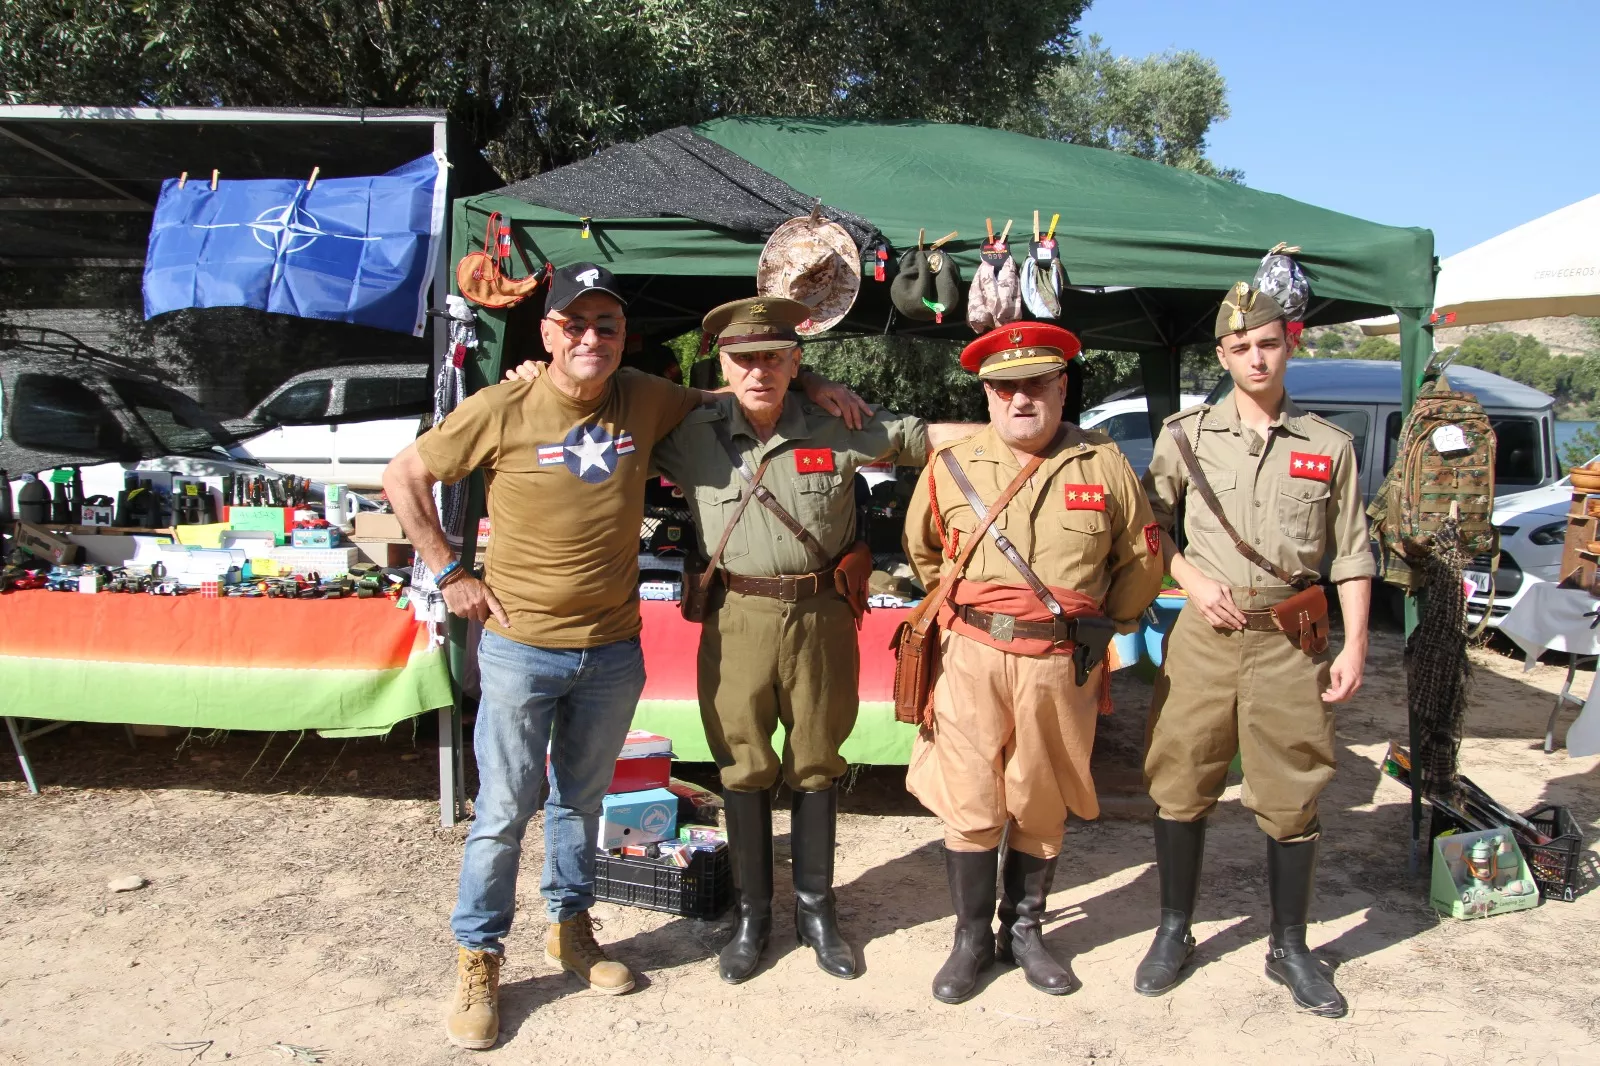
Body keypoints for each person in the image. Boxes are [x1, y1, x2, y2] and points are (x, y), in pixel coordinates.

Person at [382, 263, 868, 1051]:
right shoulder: (502, 405)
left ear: (621, 338)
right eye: (574, 324)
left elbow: (740, 389)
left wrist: (813, 384)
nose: (591, 338)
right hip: (521, 647)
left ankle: (571, 931)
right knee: (503, 812)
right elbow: (403, 474)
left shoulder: (645, 396)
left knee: (580, 803)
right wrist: (448, 571)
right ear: (548, 333)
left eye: (605, 326)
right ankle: (480, 958)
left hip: (610, 648)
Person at [648, 296, 976, 985]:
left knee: (818, 761)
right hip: (735, 617)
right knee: (742, 766)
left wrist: (1022, 430)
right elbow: (604, 413)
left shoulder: (836, 422)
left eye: (774, 357)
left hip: (822, 616)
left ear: (796, 362)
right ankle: (752, 917)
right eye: (744, 359)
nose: (759, 371)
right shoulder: (687, 430)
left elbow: (924, 439)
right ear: (723, 365)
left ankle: (817, 912)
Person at [901, 322, 1164, 1004]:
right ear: (987, 395)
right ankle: (970, 940)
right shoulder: (951, 464)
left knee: (1040, 798)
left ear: (1061, 387)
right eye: (1005, 387)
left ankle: (1024, 932)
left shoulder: (1103, 464)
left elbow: (1141, 560)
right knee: (970, 797)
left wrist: (1108, 625)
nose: (1022, 399)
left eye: (1037, 384)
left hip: (1059, 660)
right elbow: (925, 552)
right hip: (971, 657)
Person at [1135, 282, 1373, 1018]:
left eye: (1268, 344)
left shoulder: (1329, 446)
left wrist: (1356, 644)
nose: (1256, 359)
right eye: (1241, 348)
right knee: (1180, 778)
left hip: (1291, 641)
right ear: (1222, 355)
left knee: (1293, 791)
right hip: (1206, 636)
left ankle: (1290, 947)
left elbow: (1352, 554)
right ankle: (1174, 929)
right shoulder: (1185, 436)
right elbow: (1150, 526)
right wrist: (1189, 580)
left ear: (1289, 344)